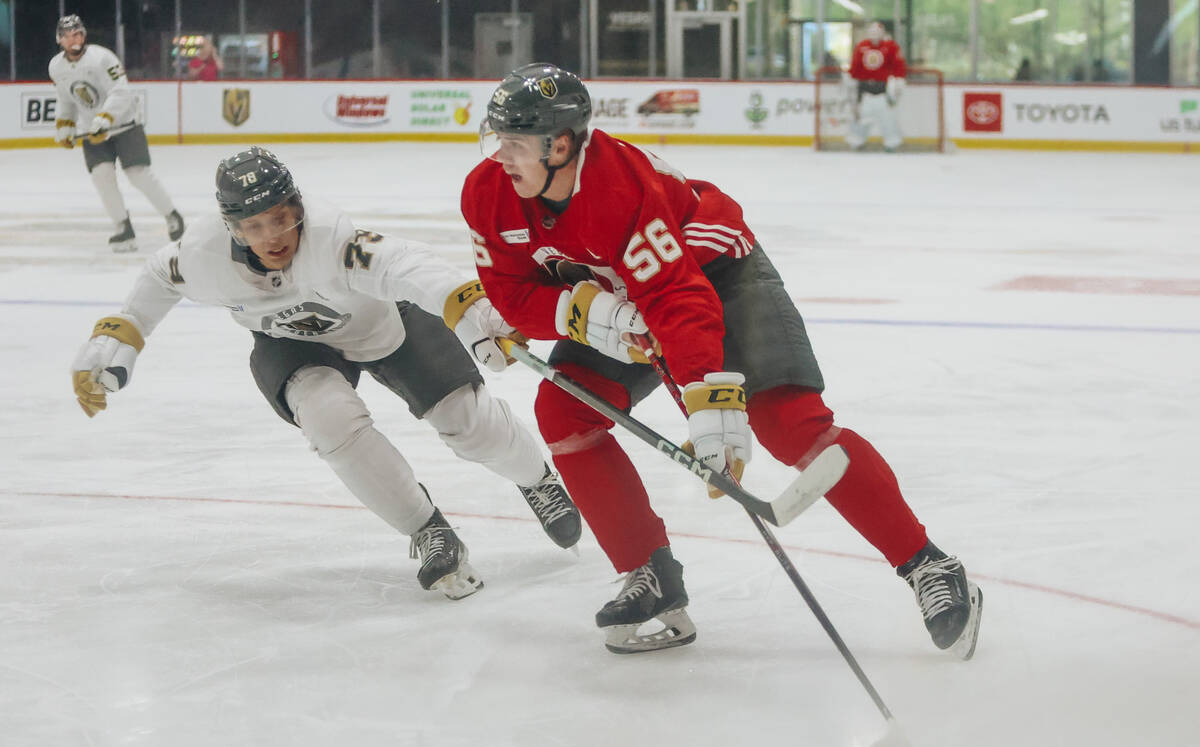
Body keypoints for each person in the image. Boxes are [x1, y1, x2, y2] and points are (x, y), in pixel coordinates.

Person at [459, 63, 983, 656]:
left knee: (788, 423)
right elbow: (511, 294)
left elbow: (678, 297)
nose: (501, 155)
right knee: (564, 411)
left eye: (516, 142)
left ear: (560, 145)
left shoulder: (617, 185)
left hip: (718, 273)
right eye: (497, 137)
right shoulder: (487, 191)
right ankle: (649, 575)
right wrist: (603, 318)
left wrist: (710, 402)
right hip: (632, 292)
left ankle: (927, 564)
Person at [71, 146, 581, 600]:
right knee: (328, 419)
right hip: (291, 345)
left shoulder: (331, 238)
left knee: (470, 426)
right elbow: (158, 276)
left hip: (385, 324)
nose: (272, 236)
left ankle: (535, 478)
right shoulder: (202, 256)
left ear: (297, 208)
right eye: (254, 226)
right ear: (231, 228)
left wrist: (475, 312)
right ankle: (428, 529)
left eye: (280, 218)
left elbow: (408, 264)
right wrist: (115, 341)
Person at [48, 15, 185, 252]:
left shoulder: (102, 58)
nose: (74, 39)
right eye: (68, 36)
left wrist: (105, 118)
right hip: (92, 131)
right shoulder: (56, 67)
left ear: (84, 35)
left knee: (137, 174)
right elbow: (66, 99)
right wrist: (65, 126)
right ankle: (123, 227)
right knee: (102, 176)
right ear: (60, 39)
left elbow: (121, 91)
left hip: (124, 124)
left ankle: (172, 216)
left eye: (78, 34)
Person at [847, 21, 907, 152]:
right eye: (872, 32)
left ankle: (892, 143)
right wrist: (851, 80)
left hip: (883, 91)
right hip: (865, 91)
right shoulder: (862, 46)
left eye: (877, 32)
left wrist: (899, 80)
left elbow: (898, 65)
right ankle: (857, 141)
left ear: (882, 33)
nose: (874, 35)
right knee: (862, 118)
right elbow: (855, 67)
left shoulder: (891, 47)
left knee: (888, 119)